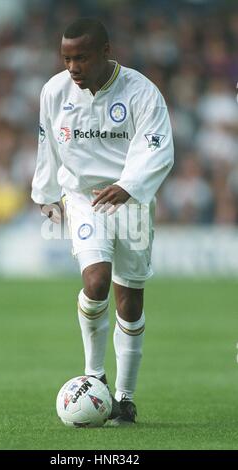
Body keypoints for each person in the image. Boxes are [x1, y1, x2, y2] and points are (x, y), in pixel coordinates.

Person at [31, 18, 174, 426]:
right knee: (95, 282)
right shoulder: (54, 91)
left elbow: (159, 149)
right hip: (83, 198)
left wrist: (129, 185)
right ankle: (95, 376)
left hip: (130, 200)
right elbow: (47, 143)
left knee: (130, 301)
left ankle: (125, 399)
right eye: (66, 57)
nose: (72, 66)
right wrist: (45, 195)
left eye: (81, 57)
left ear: (105, 52)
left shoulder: (141, 92)